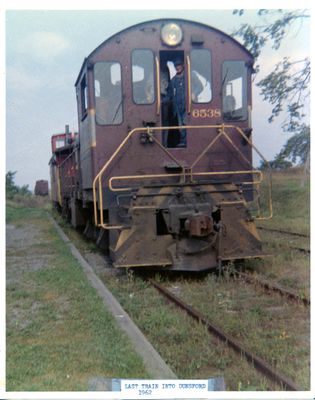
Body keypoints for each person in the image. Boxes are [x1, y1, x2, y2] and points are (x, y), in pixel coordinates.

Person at [166, 59, 187, 147]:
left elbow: (199, 86)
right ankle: (182, 141)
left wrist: (194, 93)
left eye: (179, 65)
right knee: (180, 124)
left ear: (182, 66)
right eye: (175, 66)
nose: (177, 67)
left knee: (186, 122)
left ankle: (186, 141)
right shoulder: (173, 80)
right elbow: (170, 93)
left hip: (186, 105)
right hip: (177, 106)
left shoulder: (188, 76)